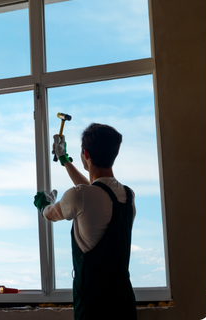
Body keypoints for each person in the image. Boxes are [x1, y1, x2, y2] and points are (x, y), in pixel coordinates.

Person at [34, 123, 137, 320]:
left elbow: (49, 213)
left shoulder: (81, 196)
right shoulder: (128, 195)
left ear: (85, 154)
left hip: (94, 307)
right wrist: (65, 161)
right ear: (115, 153)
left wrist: (43, 204)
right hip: (124, 303)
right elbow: (96, 191)